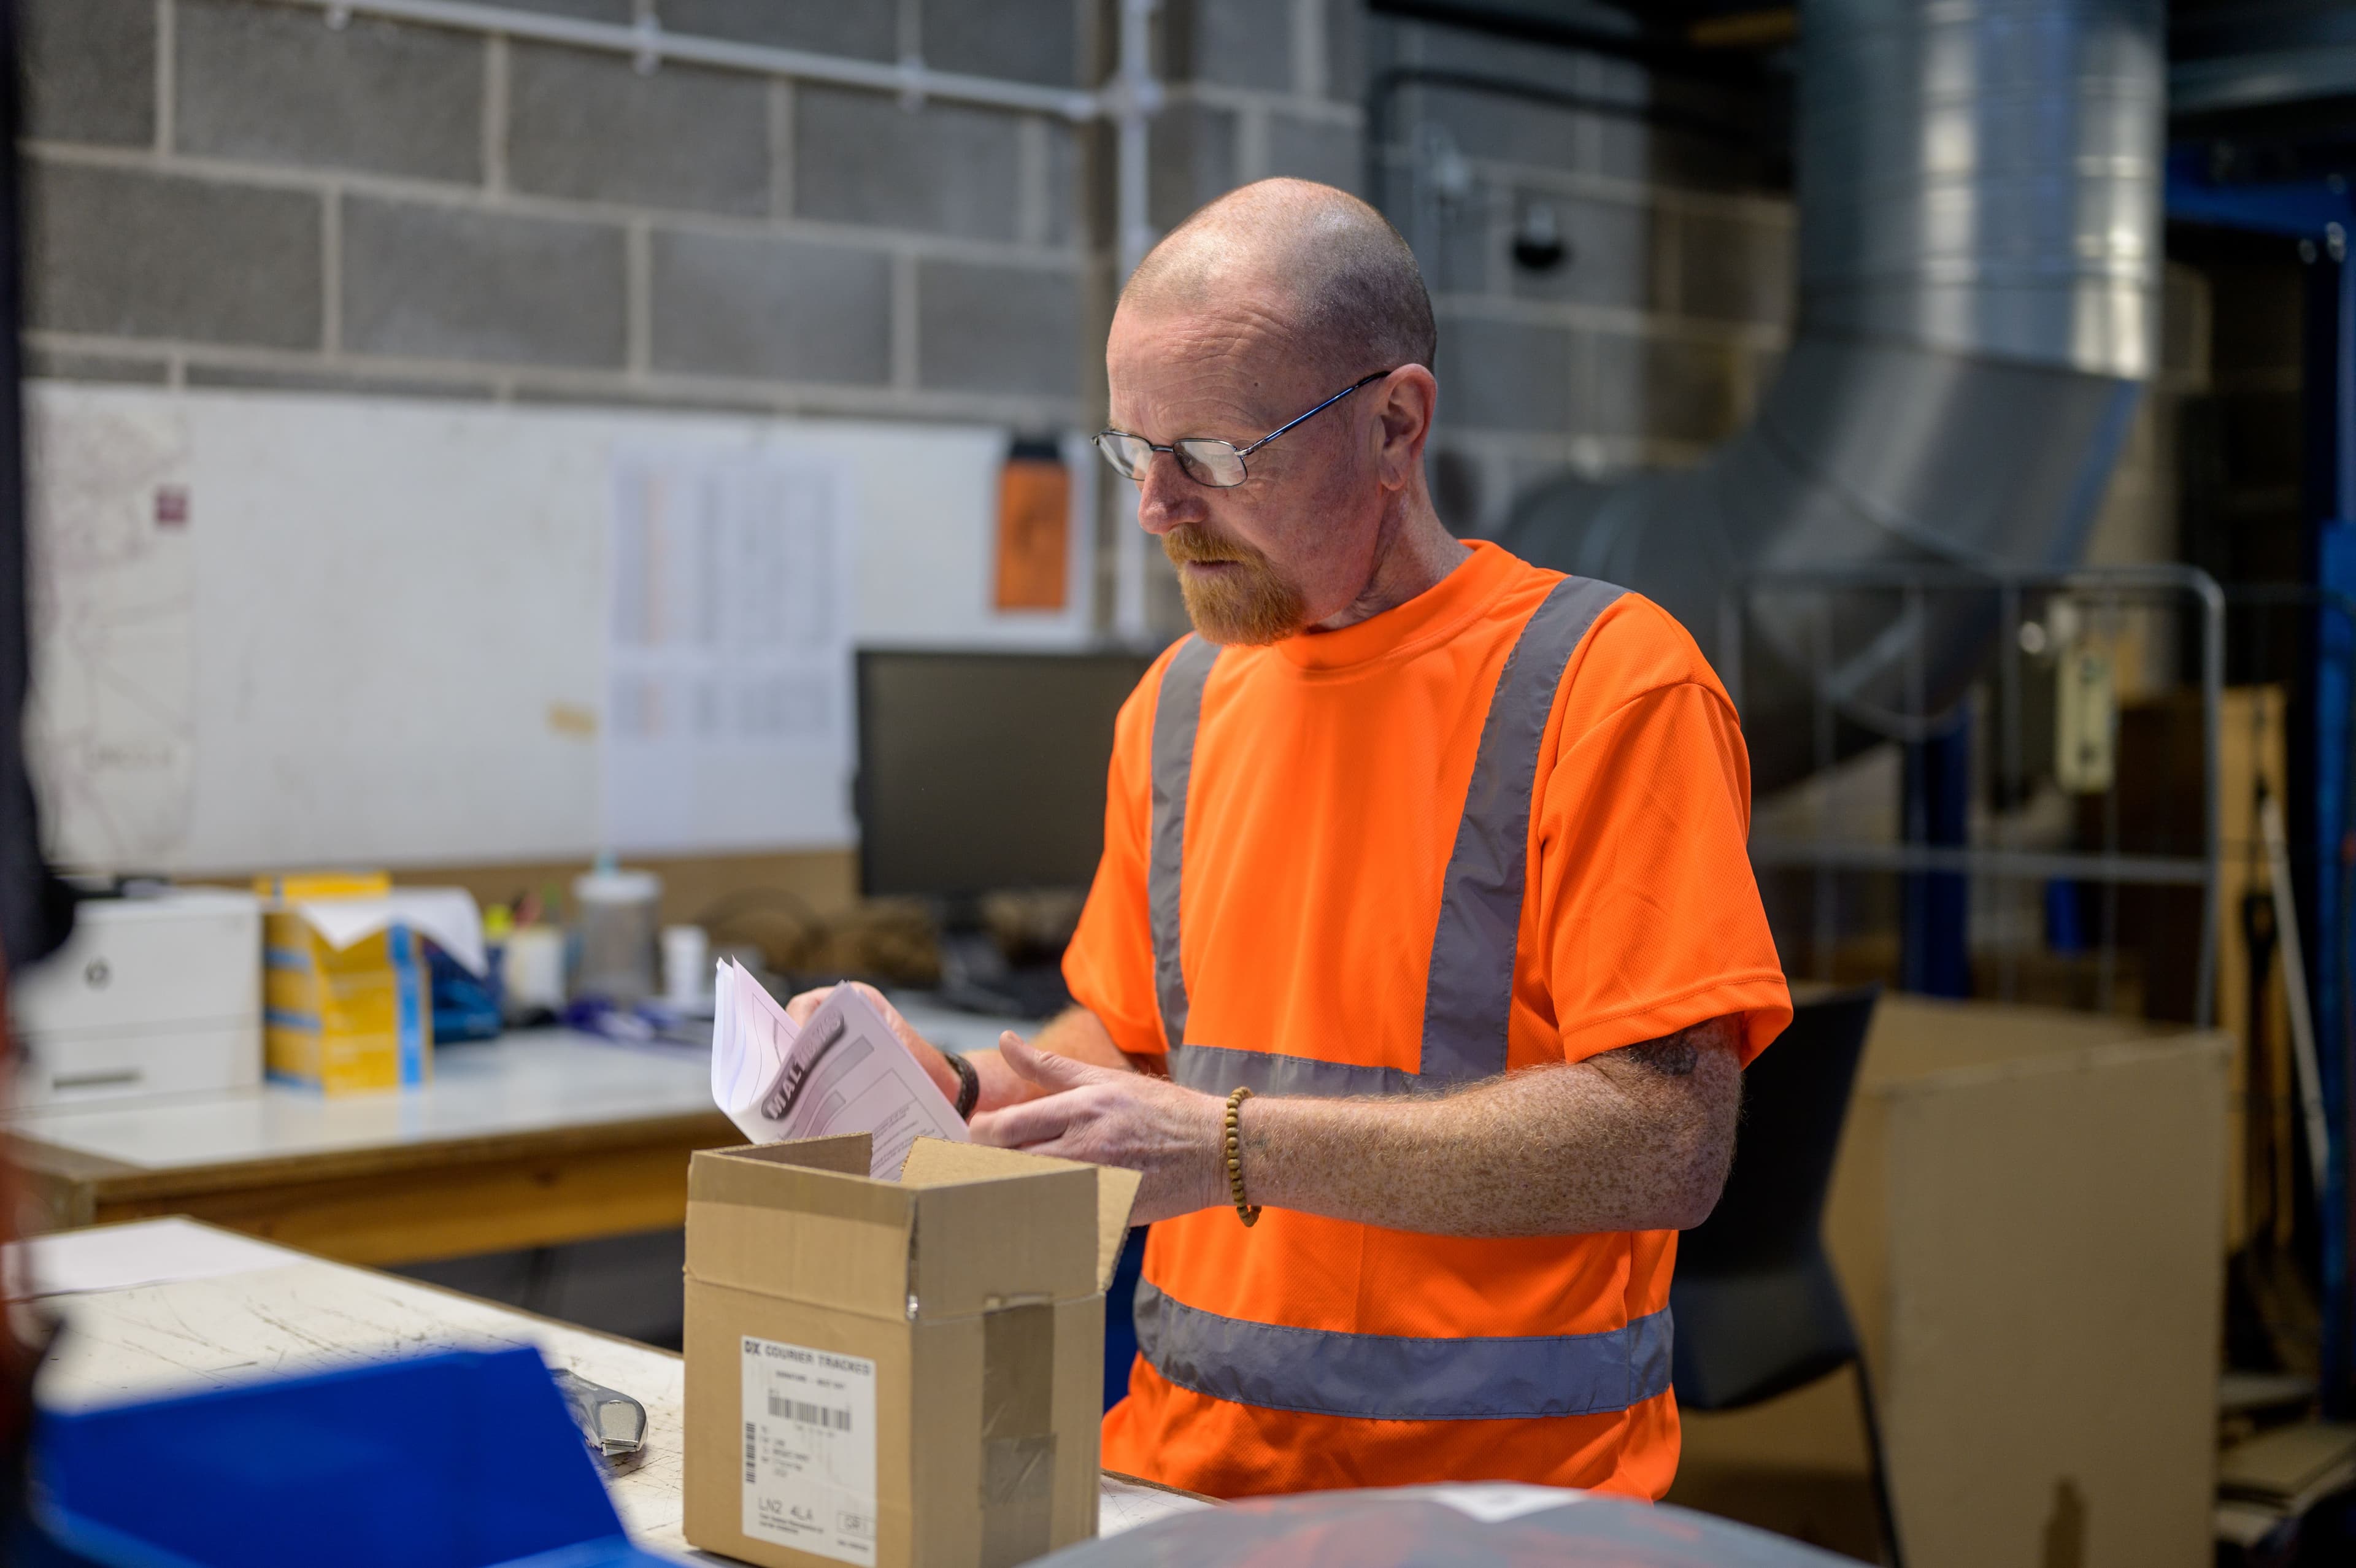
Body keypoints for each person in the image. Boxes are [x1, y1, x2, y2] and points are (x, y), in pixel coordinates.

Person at [790, 177, 1790, 1501]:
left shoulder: (1607, 686)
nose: (1157, 507)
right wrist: (970, 1089)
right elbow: (1139, 1052)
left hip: (1497, 1510)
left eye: (1212, 455)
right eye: (1133, 450)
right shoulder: (1180, 708)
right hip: (1178, 1484)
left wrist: (1231, 1151)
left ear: (1395, 424)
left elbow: (1669, 1141)